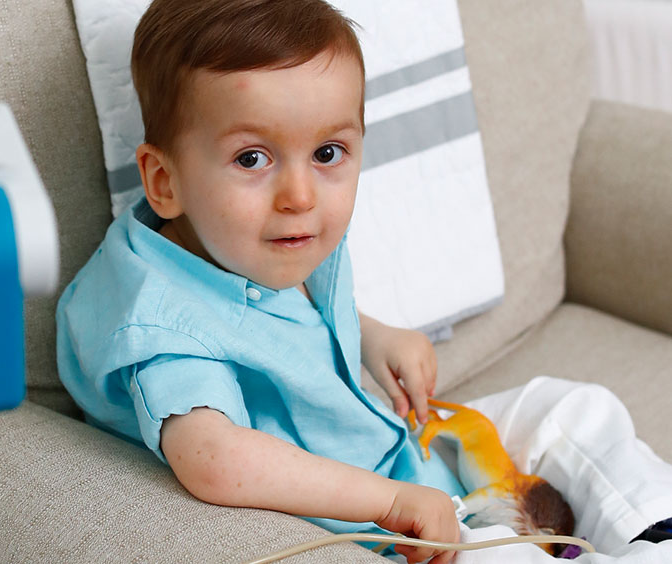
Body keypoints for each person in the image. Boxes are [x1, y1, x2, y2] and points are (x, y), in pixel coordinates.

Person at [55, 0, 672, 562]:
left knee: (570, 409)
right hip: (381, 525)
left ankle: (652, 530)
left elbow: (291, 318)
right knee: (492, 557)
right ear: (164, 182)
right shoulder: (161, 324)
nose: (299, 196)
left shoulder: (258, 242)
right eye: (252, 158)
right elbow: (212, 457)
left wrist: (374, 336)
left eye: (327, 154)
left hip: (412, 449)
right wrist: (387, 501)